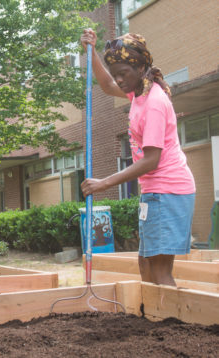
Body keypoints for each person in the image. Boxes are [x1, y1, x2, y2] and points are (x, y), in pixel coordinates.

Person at [80, 29, 195, 286]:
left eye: (124, 73)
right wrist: (92, 51)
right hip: (153, 192)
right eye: (117, 72)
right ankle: (150, 319)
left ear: (141, 67)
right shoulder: (137, 92)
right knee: (145, 264)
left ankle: (168, 322)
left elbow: (151, 160)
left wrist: (103, 184)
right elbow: (107, 85)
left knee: (160, 269)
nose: (119, 79)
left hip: (169, 190)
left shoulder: (154, 102)